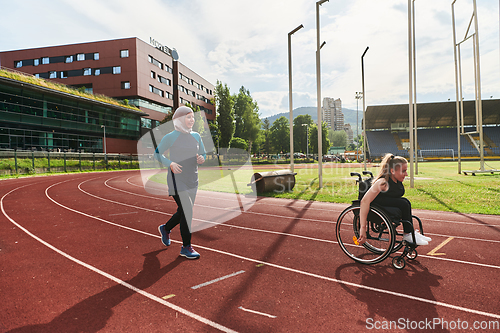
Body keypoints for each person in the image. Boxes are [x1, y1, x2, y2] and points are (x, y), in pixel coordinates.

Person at [155, 106, 206, 259]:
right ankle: (186, 247)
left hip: (193, 179)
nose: (192, 120)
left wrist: (201, 158)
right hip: (177, 179)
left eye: (193, 117)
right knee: (187, 211)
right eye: (188, 117)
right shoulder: (171, 136)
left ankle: (166, 228)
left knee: (184, 211)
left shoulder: (197, 136)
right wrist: (170, 163)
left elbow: (202, 153)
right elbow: (157, 154)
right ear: (179, 119)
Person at [357, 153, 431, 246]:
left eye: (406, 171)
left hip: (386, 203)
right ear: (392, 171)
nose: (406, 174)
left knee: (405, 202)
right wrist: (362, 228)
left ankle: (410, 233)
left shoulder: (397, 181)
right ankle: (408, 235)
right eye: (403, 171)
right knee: (404, 203)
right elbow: (364, 201)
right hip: (376, 206)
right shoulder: (382, 183)